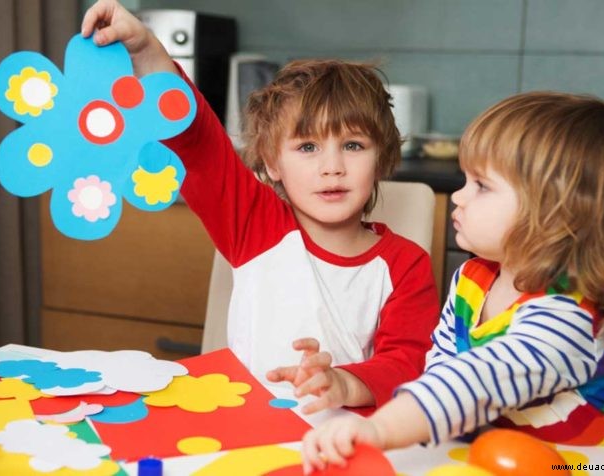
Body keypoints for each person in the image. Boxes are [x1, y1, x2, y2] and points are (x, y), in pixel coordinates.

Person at [81, 0, 439, 413]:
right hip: (246, 435)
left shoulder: (405, 265)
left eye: (353, 145)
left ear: (382, 157)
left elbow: (409, 365)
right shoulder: (254, 224)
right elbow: (197, 142)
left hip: (348, 441)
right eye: (307, 146)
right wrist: (147, 51)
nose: (332, 167)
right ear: (272, 163)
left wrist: (342, 382)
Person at [301, 91, 604, 473]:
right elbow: (443, 368)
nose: (458, 198)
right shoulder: (472, 279)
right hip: (506, 456)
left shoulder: (567, 313)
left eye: (481, 186)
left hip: (599, 465)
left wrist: (381, 428)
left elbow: (479, 380)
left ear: (554, 212)